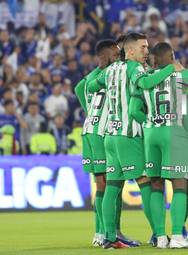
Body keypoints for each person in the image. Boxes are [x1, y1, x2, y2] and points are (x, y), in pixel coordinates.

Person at [87, 32, 185, 249]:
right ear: (130, 50)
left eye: (147, 47)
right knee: (147, 183)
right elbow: (147, 83)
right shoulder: (134, 68)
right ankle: (159, 235)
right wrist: (171, 68)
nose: (147, 51)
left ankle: (109, 238)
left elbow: (90, 87)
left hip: (109, 137)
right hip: (128, 135)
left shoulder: (110, 69)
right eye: (143, 47)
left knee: (112, 186)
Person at [130, 42, 188, 249]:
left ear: (154, 59)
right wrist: (184, 135)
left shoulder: (145, 78)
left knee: (156, 185)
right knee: (179, 184)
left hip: (151, 133)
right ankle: (177, 236)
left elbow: (134, 111)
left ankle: (160, 237)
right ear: (172, 56)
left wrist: (150, 121)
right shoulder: (184, 75)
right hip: (173, 130)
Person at [75, 39, 132, 247]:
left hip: (89, 129)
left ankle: (100, 233)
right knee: (104, 184)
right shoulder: (111, 74)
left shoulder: (91, 76)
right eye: (117, 55)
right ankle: (103, 233)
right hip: (100, 134)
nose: (120, 58)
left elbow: (78, 88)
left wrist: (89, 112)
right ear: (106, 57)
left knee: (100, 183)